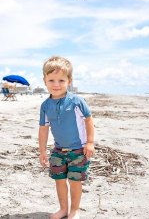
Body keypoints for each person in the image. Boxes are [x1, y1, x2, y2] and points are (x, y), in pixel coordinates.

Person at [38, 56, 95, 219]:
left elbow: (89, 120)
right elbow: (43, 129)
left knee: (75, 182)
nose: (56, 84)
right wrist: (42, 151)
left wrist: (90, 142)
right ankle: (63, 209)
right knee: (59, 180)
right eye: (51, 80)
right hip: (58, 151)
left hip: (78, 150)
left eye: (61, 80)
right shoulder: (45, 105)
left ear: (69, 81)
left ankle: (74, 210)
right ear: (45, 81)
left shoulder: (76, 101)